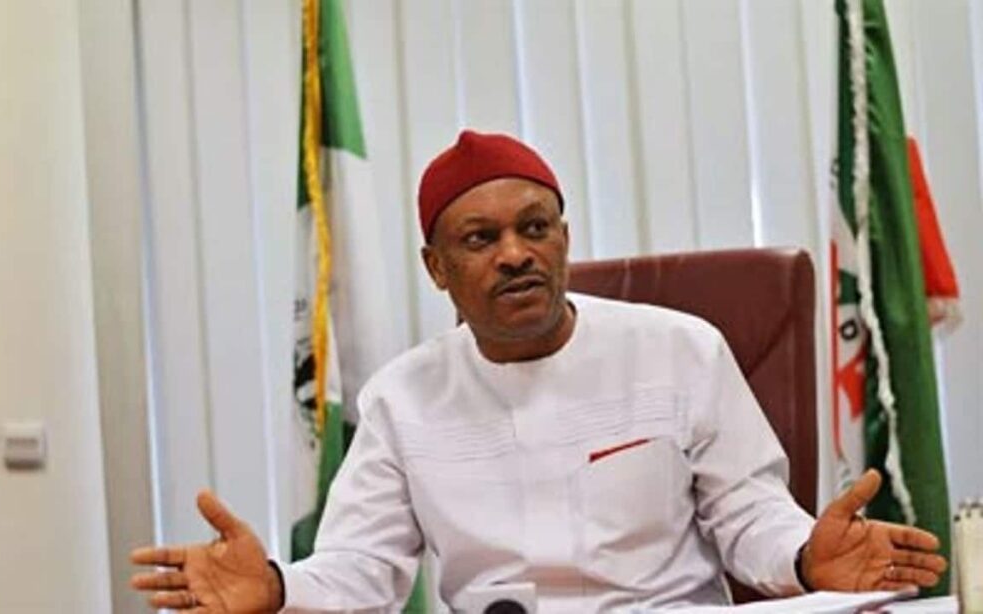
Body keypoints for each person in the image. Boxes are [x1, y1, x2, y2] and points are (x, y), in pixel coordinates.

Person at [130, 131, 947, 613]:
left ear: (563, 237)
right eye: (480, 240)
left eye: (535, 227)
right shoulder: (400, 398)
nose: (516, 253)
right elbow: (362, 567)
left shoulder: (679, 349)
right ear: (436, 269)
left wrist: (807, 557)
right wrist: (276, 588)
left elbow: (749, 517)